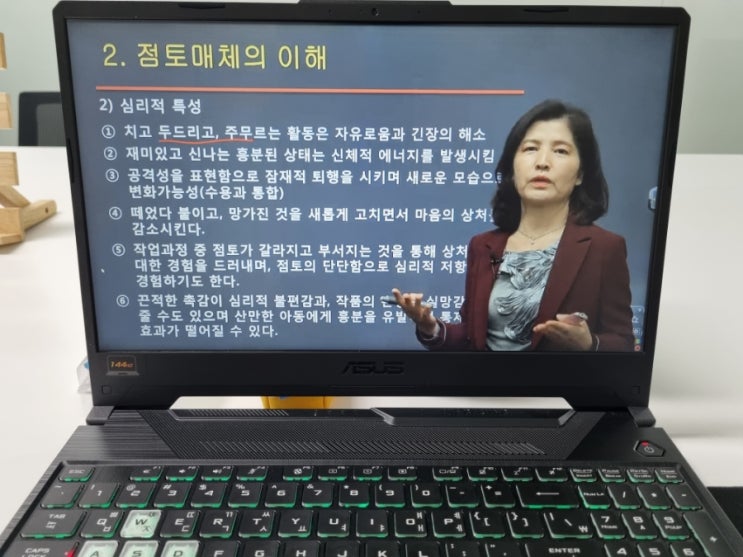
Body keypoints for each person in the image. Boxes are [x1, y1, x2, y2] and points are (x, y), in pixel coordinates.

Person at [392, 99, 634, 351]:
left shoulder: (604, 248)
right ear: (512, 167)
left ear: (580, 174)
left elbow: (624, 343)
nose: (542, 162)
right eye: (530, 148)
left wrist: (589, 343)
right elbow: (471, 336)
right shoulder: (483, 246)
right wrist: (430, 327)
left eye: (560, 151)